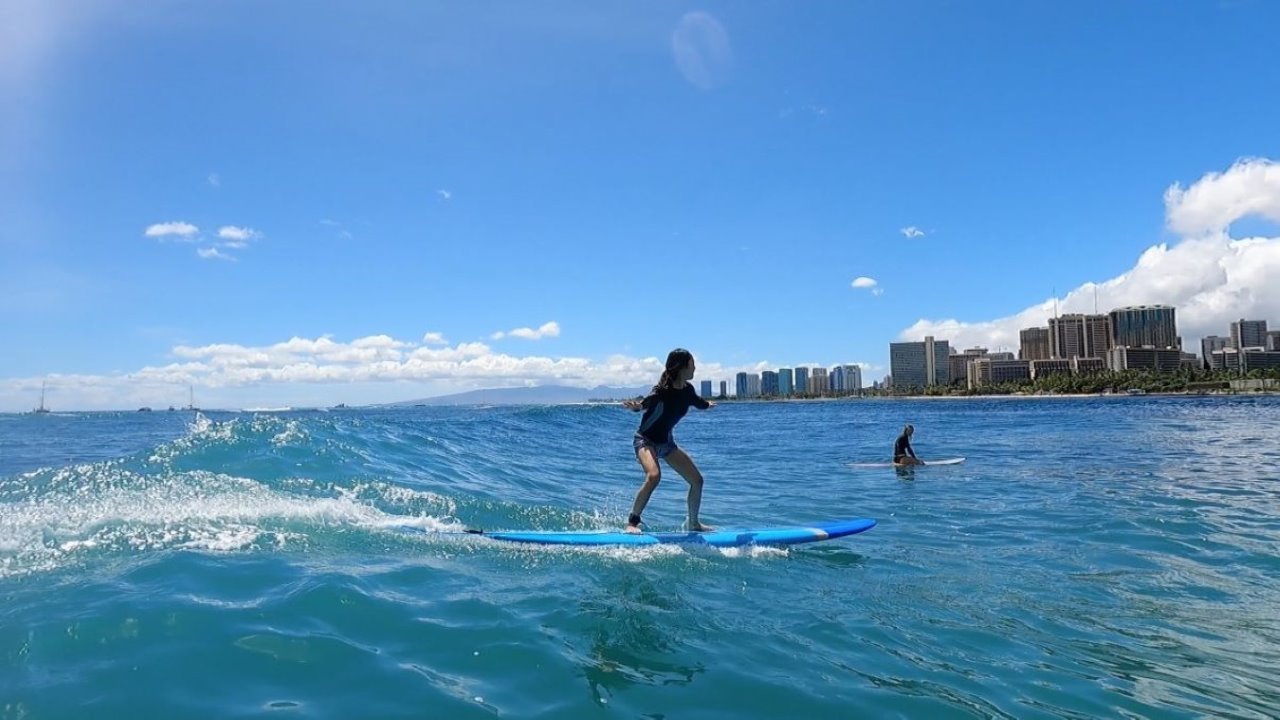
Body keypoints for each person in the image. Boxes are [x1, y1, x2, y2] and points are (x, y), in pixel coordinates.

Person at [621, 348, 715, 533]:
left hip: (667, 443)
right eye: (692, 363)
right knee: (654, 476)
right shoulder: (662, 390)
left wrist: (707, 405)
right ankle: (632, 523)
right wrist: (636, 407)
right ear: (682, 366)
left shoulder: (688, 391)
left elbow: (698, 402)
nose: (695, 367)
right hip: (645, 441)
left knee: (697, 480)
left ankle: (693, 523)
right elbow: (644, 404)